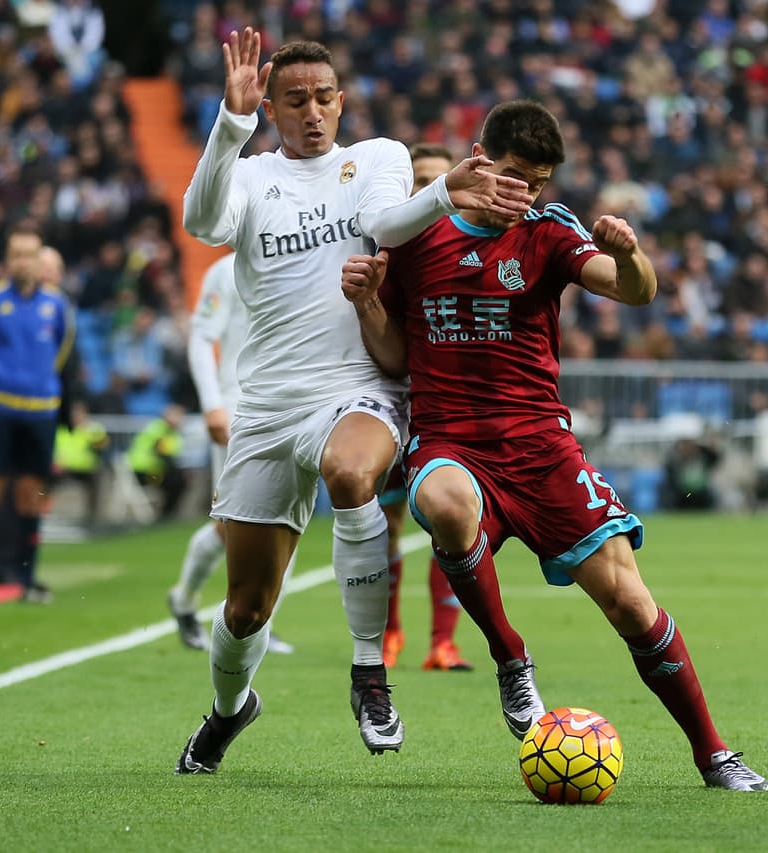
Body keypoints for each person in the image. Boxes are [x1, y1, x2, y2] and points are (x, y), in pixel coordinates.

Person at [343, 100, 768, 791]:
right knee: (448, 506)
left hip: (542, 448)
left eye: (538, 182)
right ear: (478, 157)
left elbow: (633, 291)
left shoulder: (547, 230)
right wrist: (367, 303)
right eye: (516, 177)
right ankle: (511, 656)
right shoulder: (414, 236)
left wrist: (629, 253)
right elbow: (394, 359)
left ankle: (713, 753)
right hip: (451, 441)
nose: (527, 194)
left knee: (632, 604)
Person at [174, 29, 531, 773]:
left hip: (356, 386)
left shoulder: (377, 158)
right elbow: (203, 223)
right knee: (245, 608)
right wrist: (228, 126)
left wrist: (443, 191)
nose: (312, 112)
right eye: (295, 100)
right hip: (267, 405)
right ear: (270, 106)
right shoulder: (249, 175)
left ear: (342, 102)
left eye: (324, 98)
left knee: (351, 474)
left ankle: (369, 672)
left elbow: (385, 224)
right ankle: (229, 711)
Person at [168, 252, 295, 655]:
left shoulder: (300, 260)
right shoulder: (225, 271)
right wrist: (211, 404)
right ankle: (185, 599)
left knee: (288, 522)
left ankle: (263, 619)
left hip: (292, 408)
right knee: (231, 525)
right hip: (238, 410)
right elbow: (203, 337)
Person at [379, 142, 471, 673]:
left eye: (440, 179)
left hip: (447, 413)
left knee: (450, 526)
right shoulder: (390, 251)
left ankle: (443, 643)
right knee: (385, 525)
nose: (430, 190)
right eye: (420, 180)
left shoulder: (473, 250)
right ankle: (388, 633)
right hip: (395, 404)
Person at [0, 224, 74, 604]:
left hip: (39, 409)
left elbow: (59, 352)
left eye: (30, 254)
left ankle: (27, 580)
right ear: (7, 260)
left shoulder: (56, 306)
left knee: (30, 493)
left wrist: (38, 384)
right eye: (17, 254)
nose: (24, 261)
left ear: (40, 259)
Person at [53, 401, 109, 528]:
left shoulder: (94, 429)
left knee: (98, 479)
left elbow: (102, 448)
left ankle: (93, 517)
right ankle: (42, 512)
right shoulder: (62, 429)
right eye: (74, 414)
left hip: (86, 469)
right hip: (64, 469)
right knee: (44, 480)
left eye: (79, 414)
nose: (76, 417)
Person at [127, 404, 188, 520]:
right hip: (145, 471)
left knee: (178, 482)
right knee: (176, 482)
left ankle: (167, 513)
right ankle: (166, 515)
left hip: (152, 470)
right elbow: (163, 454)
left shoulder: (168, 431)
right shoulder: (159, 429)